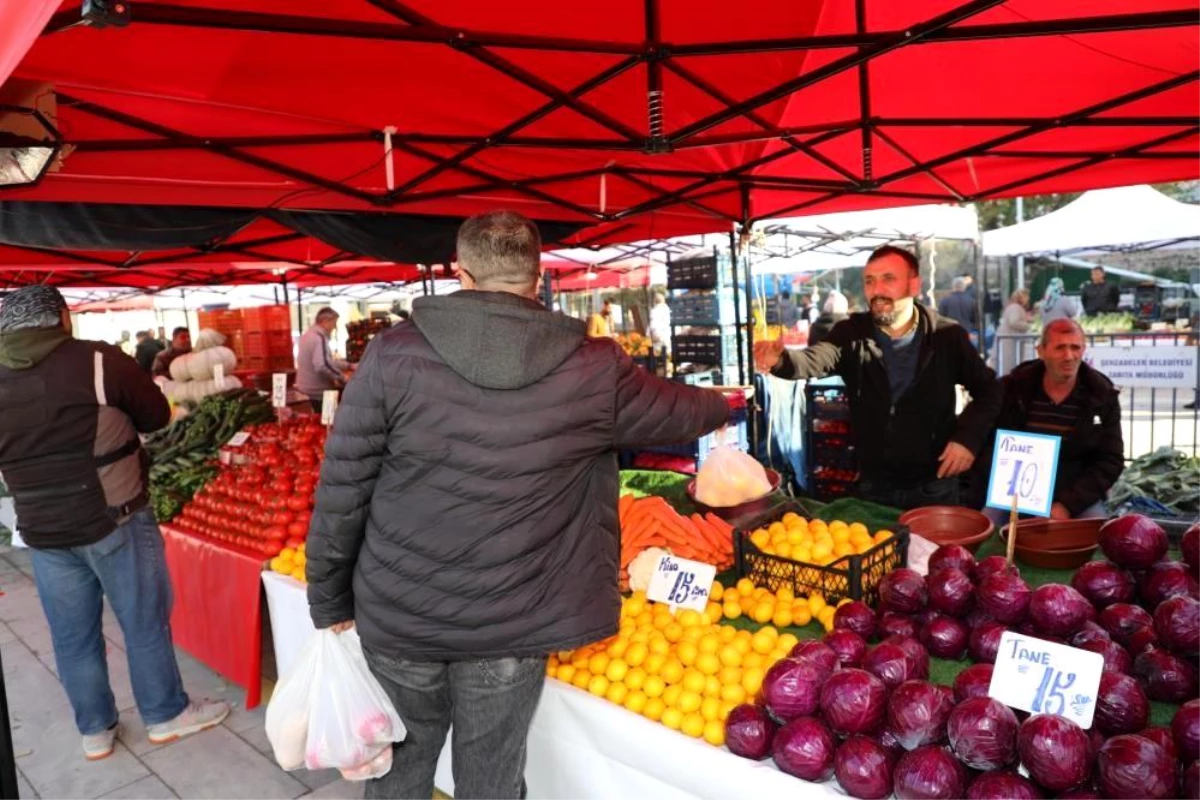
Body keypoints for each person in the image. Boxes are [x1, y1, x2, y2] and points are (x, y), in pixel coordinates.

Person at [305, 210, 730, 800]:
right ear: (538, 275)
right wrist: (731, 399)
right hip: (513, 620)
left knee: (399, 775)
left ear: (461, 272)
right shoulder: (593, 365)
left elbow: (343, 485)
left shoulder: (392, 356)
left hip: (403, 614)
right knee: (492, 778)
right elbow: (681, 410)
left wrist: (328, 597)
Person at [0, 286, 229, 761]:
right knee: (143, 620)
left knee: (72, 635)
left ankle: (95, 730)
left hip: (43, 531)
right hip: (114, 519)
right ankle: (166, 714)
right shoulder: (97, 360)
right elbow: (156, 415)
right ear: (61, 318)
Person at [754, 245, 1002, 510]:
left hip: (935, 484)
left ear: (914, 284)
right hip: (874, 485)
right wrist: (781, 361)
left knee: (937, 553)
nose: (877, 289)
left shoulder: (946, 336)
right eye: (870, 281)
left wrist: (967, 440)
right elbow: (814, 359)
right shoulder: (851, 333)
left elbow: (990, 390)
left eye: (889, 279)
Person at [976, 318, 1123, 523]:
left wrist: (1066, 505)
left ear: (1084, 350)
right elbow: (986, 438)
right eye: (1060, 348)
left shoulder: (1102, 396)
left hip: (1075, 493)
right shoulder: (1013, 388)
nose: (1069, 356)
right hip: (1014, 492)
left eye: (1075, 347)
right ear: (1041, 351)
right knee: (984, 529)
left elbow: (1111, 460)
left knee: (1095, 532)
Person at [297, 307, 352, 412]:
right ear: (325, 321)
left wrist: (348, 366)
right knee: (328, 422)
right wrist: (342, 377)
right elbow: (322, 365)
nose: (334, 327)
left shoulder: (307, 335)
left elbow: (327, 361)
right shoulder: (319, 338)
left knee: (319, 423)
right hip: (318, 392)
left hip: (305, 389)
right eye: (334, 323)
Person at [992, 288, 1033, 376]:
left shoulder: (1012, 307)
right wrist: (1027, 325)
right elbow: (1013, 322)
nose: (1028, 299)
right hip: (1009, 343)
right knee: (1009, 366)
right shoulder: (1016, 308)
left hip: (1008, 341)